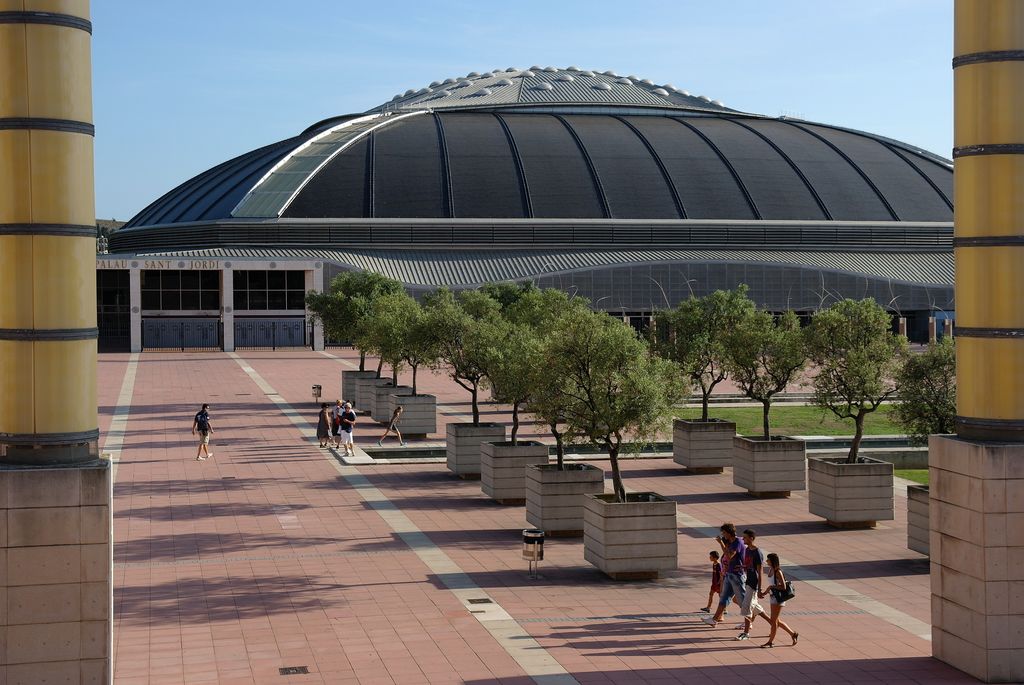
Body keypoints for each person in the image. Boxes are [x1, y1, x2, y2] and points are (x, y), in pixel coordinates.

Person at [703, 522, 745, 627]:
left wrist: (721, 544)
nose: (723, 535)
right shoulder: (731, 542)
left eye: (724, 533)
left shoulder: (737, 542)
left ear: (729, 532)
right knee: (724, 597)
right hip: (729, 574)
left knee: (743, 600)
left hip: (737, 575)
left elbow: (730, 556)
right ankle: (714, 619)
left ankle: (750, 620)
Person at [757, 553, 798, 648]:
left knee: (774, 621)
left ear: (772, 561)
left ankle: (770, 641)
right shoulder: (771, 569)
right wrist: (766, 592)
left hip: (779, 599)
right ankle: (793, 634)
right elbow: (772, 584)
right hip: (773, 597)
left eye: (768, 560)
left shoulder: (777, 571)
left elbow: (783, 586)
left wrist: (770, 587)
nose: (766, 561)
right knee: (775, 620)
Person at [737, 529, 769, 640]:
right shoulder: (747, 550)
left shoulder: (757, 552)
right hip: (748, 580)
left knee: (747, 606)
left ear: (751, 538)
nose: (743, 539)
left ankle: (746, 633)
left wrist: (760, 588)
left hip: (753, 583)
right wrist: (742, 567)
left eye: (745, 537)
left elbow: (760, 571)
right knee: (755, 608)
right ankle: (774, 624)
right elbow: (748, 565)